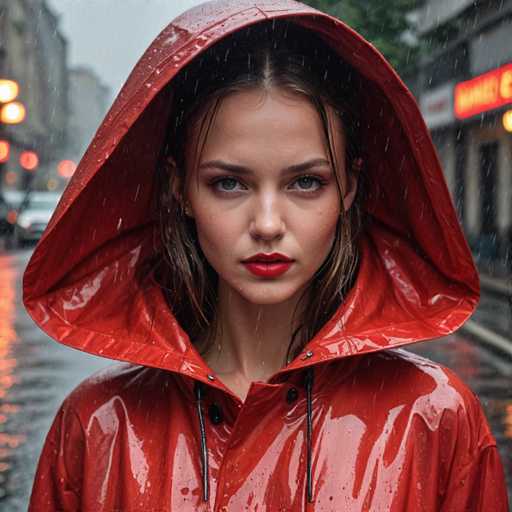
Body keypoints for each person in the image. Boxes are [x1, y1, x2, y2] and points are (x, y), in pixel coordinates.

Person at [26, 1, 509, 510]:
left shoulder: (435, 418)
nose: (268, 224)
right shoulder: (99, 425)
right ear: (181, 189)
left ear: (348, 188)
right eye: (229, 183)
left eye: (306, 182)